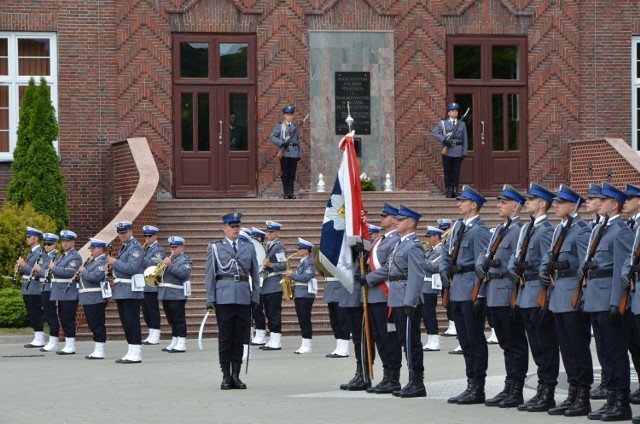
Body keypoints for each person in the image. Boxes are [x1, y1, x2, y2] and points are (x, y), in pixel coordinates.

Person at [539, 185, 593, 417]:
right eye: (556, 203)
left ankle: (583, 395)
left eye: (560, 203)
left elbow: (585, 266)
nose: (556, 206)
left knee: (578, 347)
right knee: (566, 349)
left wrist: (582, 297)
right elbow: (548, 257)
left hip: (572, 295)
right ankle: (573, 391)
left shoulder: (580, 230)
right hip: (557, 296)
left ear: (573, 206)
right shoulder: (559, 229)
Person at [582, 183, 633, 421]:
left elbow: (620, 271)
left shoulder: (620, 231)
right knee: (604, 352)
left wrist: (617, 302)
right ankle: (611, 398)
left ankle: (621, 402)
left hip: (609, 300)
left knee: (615, 352)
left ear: (615, 205)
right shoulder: (601, 229)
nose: (598, 203)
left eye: (604, 200)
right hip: (595, 298)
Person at [507, 182, 558, 412]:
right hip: (525, 291)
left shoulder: (546, 230)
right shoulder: (528, 228)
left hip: (538, 290)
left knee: (545, 344)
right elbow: (517, 254)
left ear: (543, 203)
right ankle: (541, 388)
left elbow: (549, 262)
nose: (526, 202)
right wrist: (513, 266)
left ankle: (547, 391)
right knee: (536, 345)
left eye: (531, 199)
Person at [475, 185, 527, 408]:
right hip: (494, 292)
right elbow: (484, 254)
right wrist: (482, 264)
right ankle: (509, 385)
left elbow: (518, 262)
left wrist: (498, 264)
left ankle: (516, 388)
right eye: (499, 202)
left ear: (516, 206)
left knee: (515, 343)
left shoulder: (519, 231)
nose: (498, 205)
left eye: (503, 202)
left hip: (508, 293)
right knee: (505, 343)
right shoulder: (498, 230)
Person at [440, 185, 491, 405]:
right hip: (457, 288)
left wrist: (480, 295)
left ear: (474, 205)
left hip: (471, 288)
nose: (458, 204)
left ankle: (478, 386)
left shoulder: (479, 230)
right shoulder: (458, 227)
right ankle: (470, 382)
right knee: (464, 339)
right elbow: (445, 250)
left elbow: (483, 263)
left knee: (474, 339)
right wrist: (444, 268)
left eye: (462, 201)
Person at [205, 212, 261, 390]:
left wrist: (255, 296)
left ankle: (236, 375)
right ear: (224, 228)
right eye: (232, 226)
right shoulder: (215, 247)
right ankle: (226, 376)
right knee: (225, 337)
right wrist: (210, 299)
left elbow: (255, 274)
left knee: (240, 337)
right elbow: (210, 275)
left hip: (244, 295)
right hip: (224, 296)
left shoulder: (249, 247)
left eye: (238, 226)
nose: (236, 229)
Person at [363, 203, 403, 394]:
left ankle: (393, 378)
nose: (381, 219)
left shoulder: (395, 240)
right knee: (379, 338)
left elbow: (389, 267)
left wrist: (368, 278)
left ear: (394, 220)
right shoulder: (379, 239)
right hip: (373, 296)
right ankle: (386, 375)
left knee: (389, 338)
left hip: (386, 295)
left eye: (384, 216)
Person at [387, 204, 426, 398]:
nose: (396, 222)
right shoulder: (399, 243)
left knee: (412, 341)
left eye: (400, 220)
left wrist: (410, 302)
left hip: (407, 299)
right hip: (397, 297)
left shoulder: (414, 245)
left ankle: (417, 382)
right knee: (404, 340)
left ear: (410, 223)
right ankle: (412, 381)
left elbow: (416, 276)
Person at [108, 220, 145, 364]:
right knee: (125, 322)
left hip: (131, 290)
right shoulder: (124, 247)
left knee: (132, 321)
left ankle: (136, 352)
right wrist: (112, 269)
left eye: (124, 232)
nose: (122, 235)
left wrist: (114, 262)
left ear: (130, 231)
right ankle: (131, 350)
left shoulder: (135, 247)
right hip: (122, 290)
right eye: (120, 233)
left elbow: (132, 268)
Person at [48, 230, 82, 355]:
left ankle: (70, 345)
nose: (65, 243)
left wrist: (54, 268)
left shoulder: (75, 256)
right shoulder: (64, 256)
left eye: (67, 241)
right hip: (62, 292)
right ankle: (68, 344)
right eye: (63, 241)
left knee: (68, 319)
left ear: (73, 242)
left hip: (69, 292)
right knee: (63, 317)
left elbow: (69, 272)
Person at [158, 236, 193, 353]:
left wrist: (170, 265)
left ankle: (182, 342)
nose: (173, 249)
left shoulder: (186, 260)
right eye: (171, 247)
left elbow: (183, 274)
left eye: (176, 247)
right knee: (171, 320)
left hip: (177, 294)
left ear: (182, 247)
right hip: (166, 293)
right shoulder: (168, 259)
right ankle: (174, 340)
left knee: (179, 319)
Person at [284, 237, 317, 354]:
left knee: (304, 319)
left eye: (300, 248)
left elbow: (306, 277)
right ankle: (305, 343)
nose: (298, 250)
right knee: (302, 319)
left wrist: (292, 274)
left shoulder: (309, 262)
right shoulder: (303, 261)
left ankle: (307, 345)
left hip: (305, 294)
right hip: (300, 293)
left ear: (306, 251)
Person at [78, 238, 110, 360]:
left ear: (101, 249)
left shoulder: (102, 262)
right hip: (88, 298)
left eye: (93, 248)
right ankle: (97, 348)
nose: (91, 251)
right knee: (93, 324)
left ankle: (100, 349)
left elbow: (95, 277)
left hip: (96, 298)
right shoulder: (92, 261)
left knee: (97, 324)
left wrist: (83, 271)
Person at [257, 221, 286, 351]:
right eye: (268, 232)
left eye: (271, 232)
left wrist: (270, 265)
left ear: (278, 233)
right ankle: (273, 338)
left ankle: (276, 340)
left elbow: (284, 265)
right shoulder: (269, 245)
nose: (268, 234)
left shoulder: (278, 247)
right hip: (267, 284)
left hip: (274, 283)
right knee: (269, 312)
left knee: (274, 313)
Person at [431, 102, 468, 198]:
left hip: (458, 150)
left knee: (456, 170)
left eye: (456, 111)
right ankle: (449, 189)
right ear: (448, 113)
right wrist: (444, 140)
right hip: (447, 151)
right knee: (447, 170)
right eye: (452, 111)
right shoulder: (443, 123)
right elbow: (434, 133)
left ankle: (455, 189)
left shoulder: (462, 124)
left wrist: (464, 152)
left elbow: (465, 139)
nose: (454, 112)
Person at [18, 226, 45, 349]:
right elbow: (28, 271)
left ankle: (40, 338)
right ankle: (37, 336)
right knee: (31, 313)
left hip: (34, 288)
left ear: (36, 238)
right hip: (28, 287)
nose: (27, 239)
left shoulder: (40, 253)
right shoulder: (32, 252)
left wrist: (24, 265)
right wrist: (20, 269)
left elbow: (38, 272)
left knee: (35, 312)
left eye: (29, 237)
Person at [269, 105, 302, 199]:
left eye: (291, 114)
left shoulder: (295, 127)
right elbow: (272, 137)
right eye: (287, 114)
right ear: (284, 115)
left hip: (294, 153)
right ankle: (286, 193)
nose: (289, 116)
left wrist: (299, 154)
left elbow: (298, 141)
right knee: (285, 173)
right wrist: (281, 143)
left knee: (292, 174)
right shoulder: (280, 126)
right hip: (284, 153)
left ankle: (291, 193)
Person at [141, 225, 165, 346]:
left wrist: (141, 257)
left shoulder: (158, 249)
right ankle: (151, 332)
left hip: (152, 283)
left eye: (149, 236)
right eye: (145, 236)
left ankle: (156, 334)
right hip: (143, 284)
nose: (147, 238)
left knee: (152, 310)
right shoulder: (146, 249)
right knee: (146, 310)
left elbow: (154, 263)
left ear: (155, 236)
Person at [422, 225, 444, 352]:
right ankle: (431, 339)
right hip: (425, 286)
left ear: (436, 236)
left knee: (429, 314)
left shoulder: (441, 250)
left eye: (430, 236)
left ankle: (435, 340)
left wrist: (421, 258)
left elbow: (435, 267)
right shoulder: (431, 250)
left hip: (430, 286)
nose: (429, 239)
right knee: (426, 314)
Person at [37, 233, 60, 352]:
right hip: (43, 288)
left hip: (49, 289)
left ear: (55, 244)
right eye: (45, 244)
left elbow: (48, 273)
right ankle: (51, 341)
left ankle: (53, 341)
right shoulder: (46, 256)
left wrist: (38, 270)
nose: (46, 246)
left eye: (49, 244)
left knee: (51, 316)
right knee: (48, 315)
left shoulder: (55, 257)